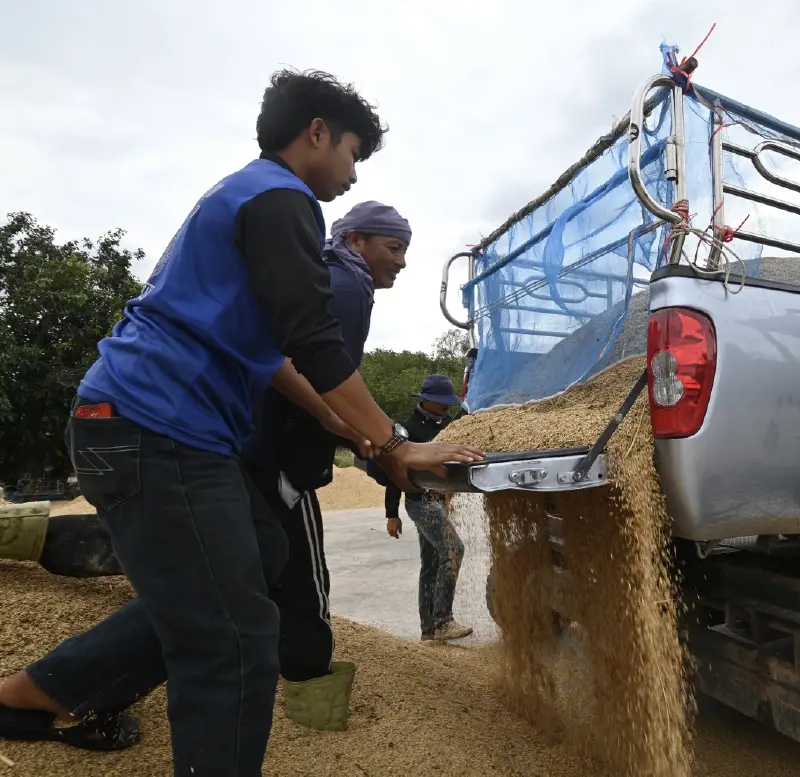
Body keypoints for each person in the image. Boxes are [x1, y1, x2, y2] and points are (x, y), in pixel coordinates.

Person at [0, 70, 483, 777]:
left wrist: (360, 435)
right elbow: (315, 344)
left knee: (257, 556)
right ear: (315, 132)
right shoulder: (283, 199)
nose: (352, 172)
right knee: (234, 641)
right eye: (352, 152)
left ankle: (44, 693)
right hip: (152, 428)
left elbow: (275, 361)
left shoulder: (247, 197)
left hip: (152, 428)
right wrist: (397, 444)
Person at [240, 199, 414, 729]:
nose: (402, 262)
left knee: (211, 552)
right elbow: (316, 370)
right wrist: (384, 442)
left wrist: (353, 430)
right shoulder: (344, 287)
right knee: (303, 577)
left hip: (250, 450)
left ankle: (34, 535)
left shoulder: (325, 277)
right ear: (356, 240)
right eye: (394, 247)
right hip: (278, 461)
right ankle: (314, 696)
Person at [374, 375, 473, 642]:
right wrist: (391, 514)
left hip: (441, 500)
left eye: (448, 404)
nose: (446, 408)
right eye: (441, 403)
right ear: (426, 400)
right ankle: (443, 620)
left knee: (430, 563)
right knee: (453, 550)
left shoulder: (450, 426)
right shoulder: (407, 430)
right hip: (421, 502)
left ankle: (428, 630)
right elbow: (394, 474)